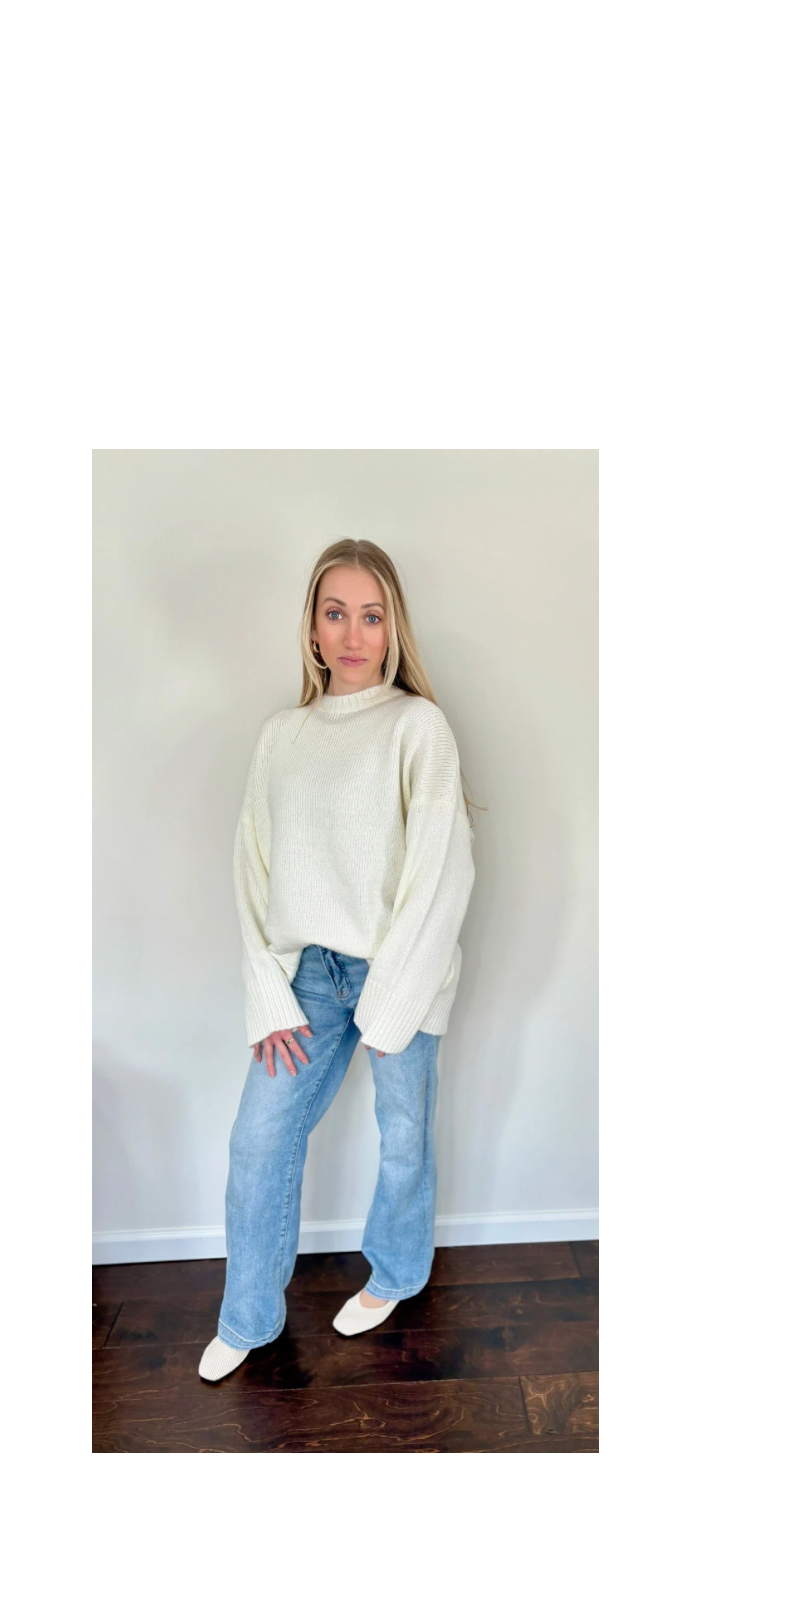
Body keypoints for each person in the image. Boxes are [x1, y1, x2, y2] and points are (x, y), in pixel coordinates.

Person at [199, 538, 478, 1381]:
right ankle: (247, 1319)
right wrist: (267, 993)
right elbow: (251, 869)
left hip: (398, 969)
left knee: (403, 1139)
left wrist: (391, 1003)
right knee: (258, 1141)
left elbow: (442, 871)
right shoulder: (281, 736)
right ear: (313, 629)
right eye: (335, 613)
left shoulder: (416, 727)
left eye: (371, 615)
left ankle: (395, 1273)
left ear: (392, 628)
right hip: (306, 978)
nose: (353, 634)